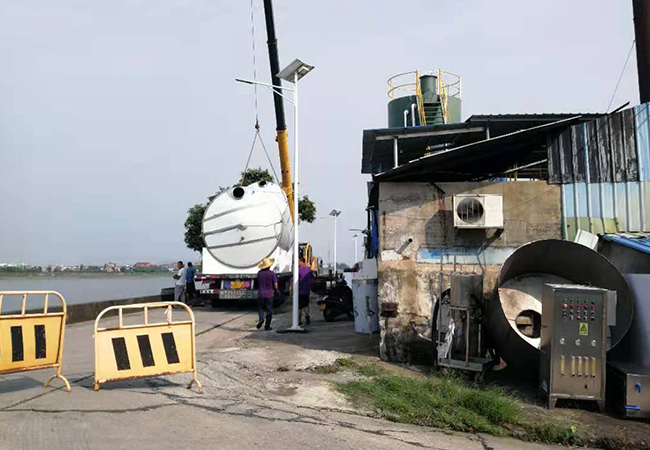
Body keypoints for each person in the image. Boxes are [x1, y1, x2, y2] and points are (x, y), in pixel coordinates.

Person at [256, 257, 278, 331]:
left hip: (261, 294)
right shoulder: (272, 273)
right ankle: (267, 326)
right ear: (269, 266)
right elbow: (275, 285)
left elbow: (258, 282)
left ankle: (261, 318)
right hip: (269, 294)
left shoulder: (259, 273)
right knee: (269, 310)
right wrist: (276, 290)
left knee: (260, 308)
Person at [298, 259, 314, 325]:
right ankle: (307, 318)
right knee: (306, 305)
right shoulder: (309, 270)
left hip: (299, 291)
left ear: (302, 262)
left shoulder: (298, 270)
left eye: (299, 262)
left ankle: (299, 321)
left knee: (299, 307)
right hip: (306, 291)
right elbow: (312, 279)